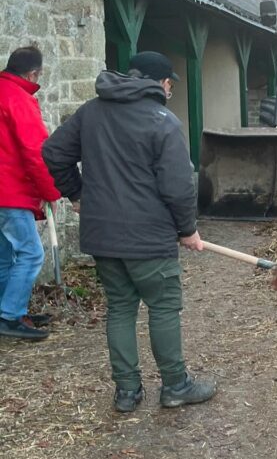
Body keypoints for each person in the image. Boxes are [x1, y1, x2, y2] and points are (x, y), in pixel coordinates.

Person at [42, 51, 216, 413]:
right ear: (163, 83)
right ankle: (175, 385)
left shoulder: (91, 111)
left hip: (103, 235)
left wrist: (76, 193)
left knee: (120, 307)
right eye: (170, 84)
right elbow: (179, 185)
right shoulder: (163, 121)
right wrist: (188, 230)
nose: (170, 89)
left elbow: (54, 151)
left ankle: (126, 391)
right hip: (149, 236)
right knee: (163, 306)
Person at [0, 45, 60, 341]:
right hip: (10, 193)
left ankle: (7, 310)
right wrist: (51, 192)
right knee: (31, 254)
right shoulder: (19, 99)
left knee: (4, 256)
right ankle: (10, 316)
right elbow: (36, 153)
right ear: (33, 73)